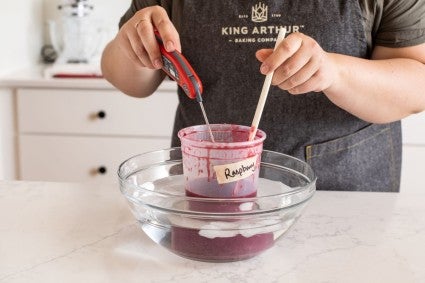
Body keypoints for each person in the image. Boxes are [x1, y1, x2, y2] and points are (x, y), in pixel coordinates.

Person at [101, 1, 425, 192]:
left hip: (343, 194)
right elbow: (130, 81)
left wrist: (333, 72)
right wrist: (133, 46)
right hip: (209, 196)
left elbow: (417, 83)